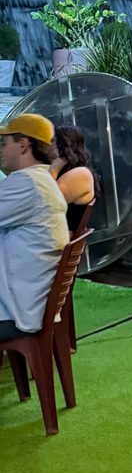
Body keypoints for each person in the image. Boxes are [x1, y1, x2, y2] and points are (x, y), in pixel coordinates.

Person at [0, 113, 69, 342]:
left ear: (23, 144)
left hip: (14, 312)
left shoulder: (27, 183)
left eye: (4, 143)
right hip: (29, 303)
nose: (0, 149)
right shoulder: (41, 179)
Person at [51, 125, 96, 235]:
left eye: (52, 144)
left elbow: (44, 202)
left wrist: (53, 170)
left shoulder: (80, 174)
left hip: (58, 243)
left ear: (63, 148)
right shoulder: (69, 171)